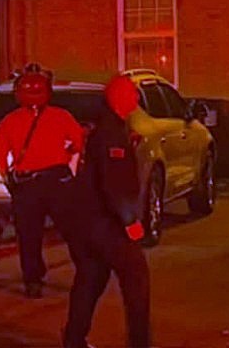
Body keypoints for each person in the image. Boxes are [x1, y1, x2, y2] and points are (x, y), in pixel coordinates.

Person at [62, 73, 151, 348]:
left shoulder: (105, 129)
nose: (137, 97)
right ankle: (139, 343)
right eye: (132, 93)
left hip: (87, 223)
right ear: (119, 98)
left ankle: (74, 339)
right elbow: (114, 183)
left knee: (90, 279)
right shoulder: (111, 134)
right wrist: (130, 220)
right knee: (136, 281)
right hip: (109, 224)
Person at [0, 68, 85, 298]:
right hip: (57, 181)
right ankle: (86, 274)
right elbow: (78, 142)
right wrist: (66, 153)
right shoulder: (61, 116)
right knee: (73, 231)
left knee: (29, 236)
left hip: (27, 185)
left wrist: (8, 180)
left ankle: (33, 281)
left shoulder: (9, 121)